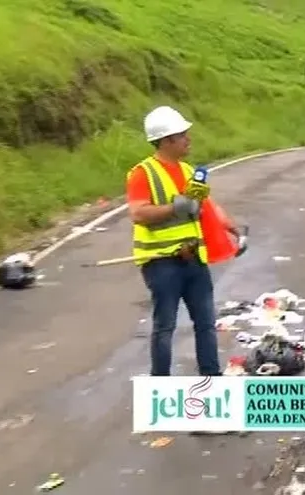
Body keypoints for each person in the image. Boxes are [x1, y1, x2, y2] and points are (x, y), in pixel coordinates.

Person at [126, 105, 245, 377]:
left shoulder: (189, 171)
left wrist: (234, 230)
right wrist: (175, 207)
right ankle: (161, 385)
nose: (188, 139)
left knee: (206, 323)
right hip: (161, 264)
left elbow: (208, 207)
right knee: (165, 327)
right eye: (183, 135)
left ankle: (211, 379)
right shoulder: (143, 173)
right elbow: (138, 213)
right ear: (167, 140)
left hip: (193, 259)